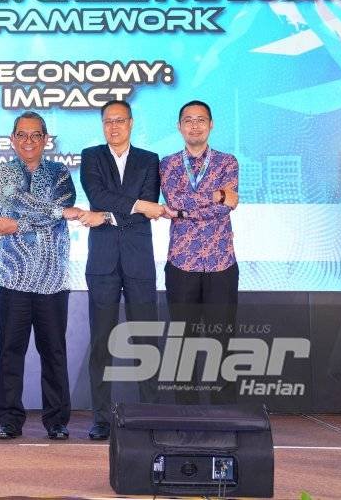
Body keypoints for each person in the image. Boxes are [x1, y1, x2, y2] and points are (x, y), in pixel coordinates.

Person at [0, 111, 81, 440]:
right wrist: (56, 213)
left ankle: (57, 421)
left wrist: (19, 225)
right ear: (13, 139)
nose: (29, 141)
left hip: (52, 279)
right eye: (22, 134)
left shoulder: (60, 173)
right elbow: (19, 202)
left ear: (46, 139)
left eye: (36, 135)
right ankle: (9, 420)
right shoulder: (3, 172)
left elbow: (60, 208)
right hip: (13, 277)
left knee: (54, 352)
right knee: (11, 352)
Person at [78, 100, 163, 440]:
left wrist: (108, 215)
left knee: (146, 340)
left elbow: (144, 200)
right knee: (102, 341)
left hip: (138, 260)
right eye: (108, 121)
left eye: (120, 121)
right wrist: (138, 205)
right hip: (103, 262)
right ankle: (101, 419)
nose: (113, 127)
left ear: (131, 123)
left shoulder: (149, 159)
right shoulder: (91, 156)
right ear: (103, 125)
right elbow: (97, 194)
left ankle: (151, 415)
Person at [160, 100, 239, 404]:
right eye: (188, 120)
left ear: (211, 124)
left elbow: (225, 208)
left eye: (201, 120)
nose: (195, 126)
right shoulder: (168, 164)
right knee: (184, 341)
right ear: (179, 126)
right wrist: (216, 194)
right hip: (182, 263)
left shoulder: (227, 162)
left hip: (221, 263)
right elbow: (173, 200)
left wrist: (183, 211)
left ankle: (224, 412)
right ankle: (186, 412)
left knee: (223, 340)